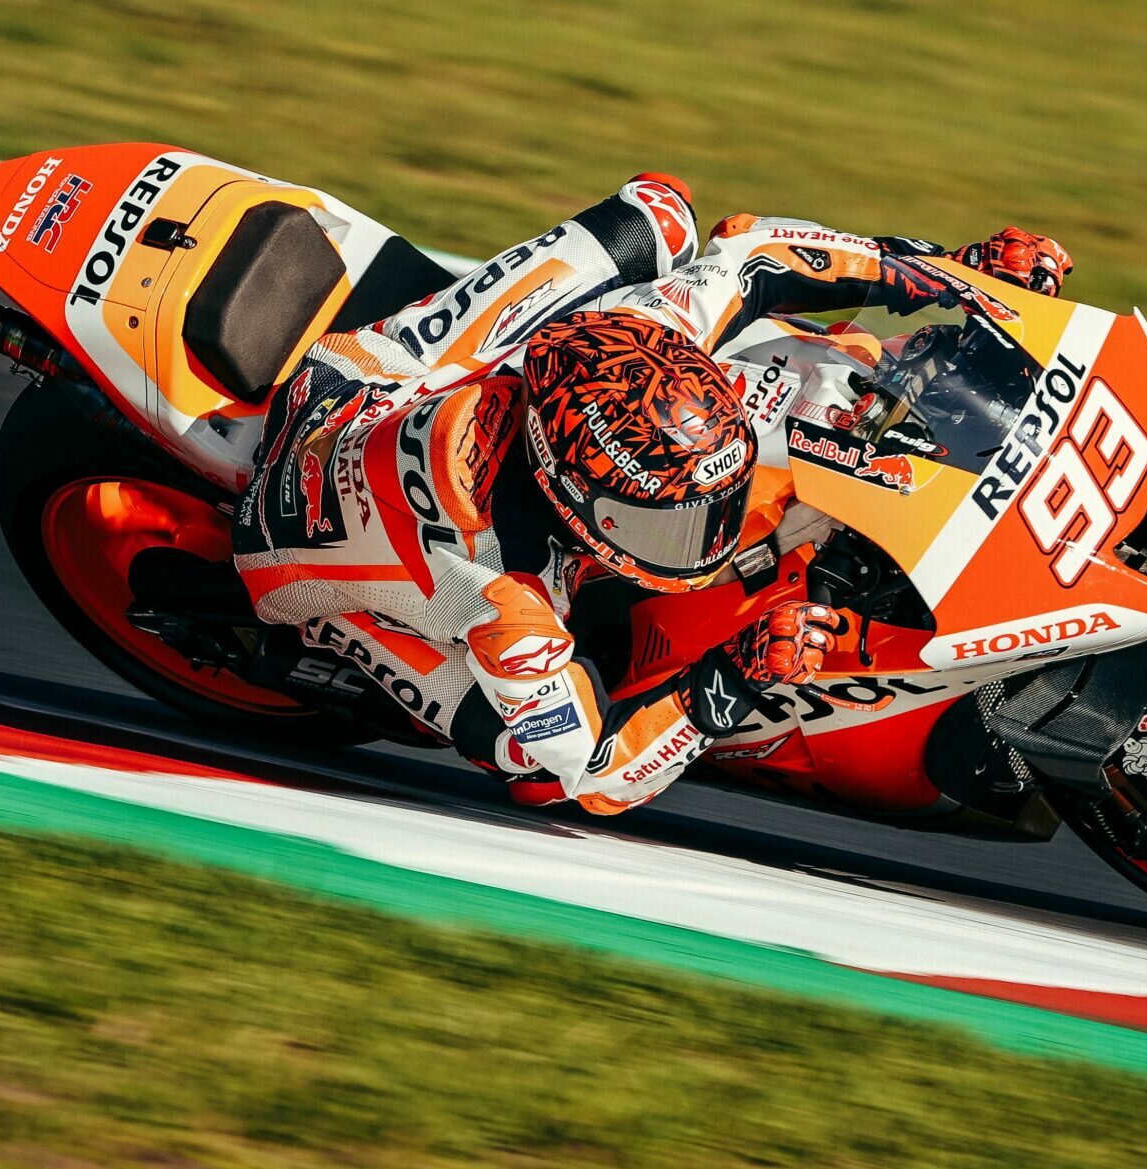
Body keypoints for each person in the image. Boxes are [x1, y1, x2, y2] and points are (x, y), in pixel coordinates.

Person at [232, 173, 1073, 814]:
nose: (702, 536)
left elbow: (755, 254)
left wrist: (945, 271)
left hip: (377, 375)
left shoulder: (642, 329)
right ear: (568, 495)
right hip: (306, 541)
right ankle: (327, 635)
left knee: (659, 212)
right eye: (665, 521)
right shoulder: (507, 597)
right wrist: (734, 676)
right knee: (533, 766)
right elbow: (597, 772)